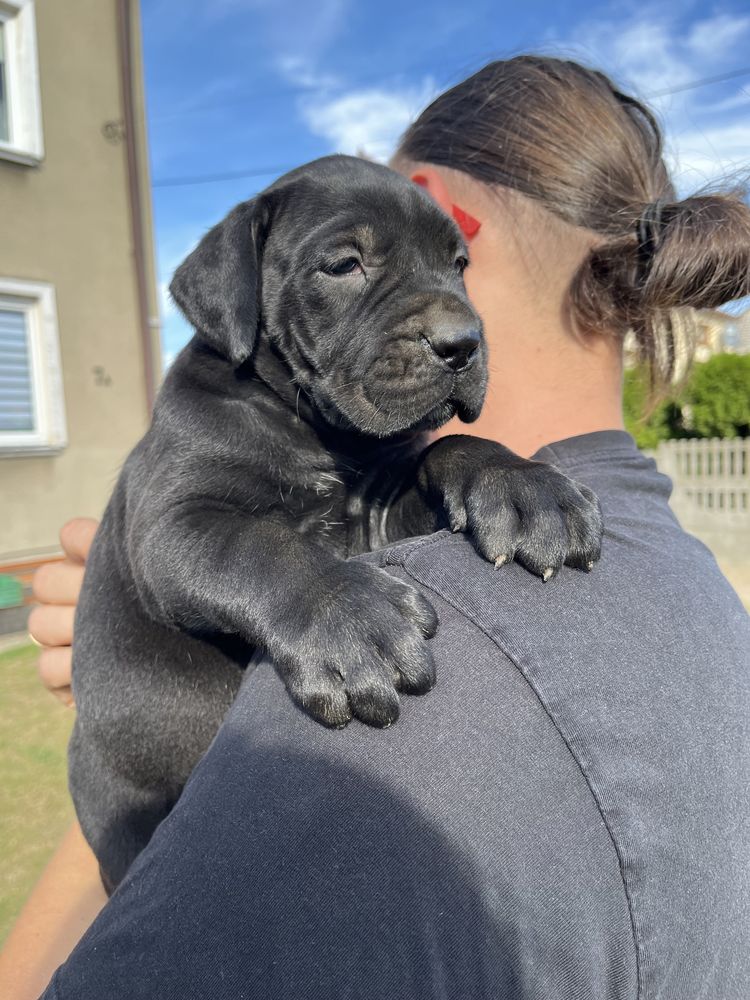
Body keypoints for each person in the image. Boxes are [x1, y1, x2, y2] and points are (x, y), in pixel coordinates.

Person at [3, 55, 749, 999]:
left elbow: (369, 510)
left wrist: (455, 465)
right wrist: (160, 638)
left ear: (435, 201)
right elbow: (184, 535)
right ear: (241, 298)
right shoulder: (703, 601)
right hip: (148, 810)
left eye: (453, 266)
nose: (450, 321)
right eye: (352, 264)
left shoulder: (406, 486)